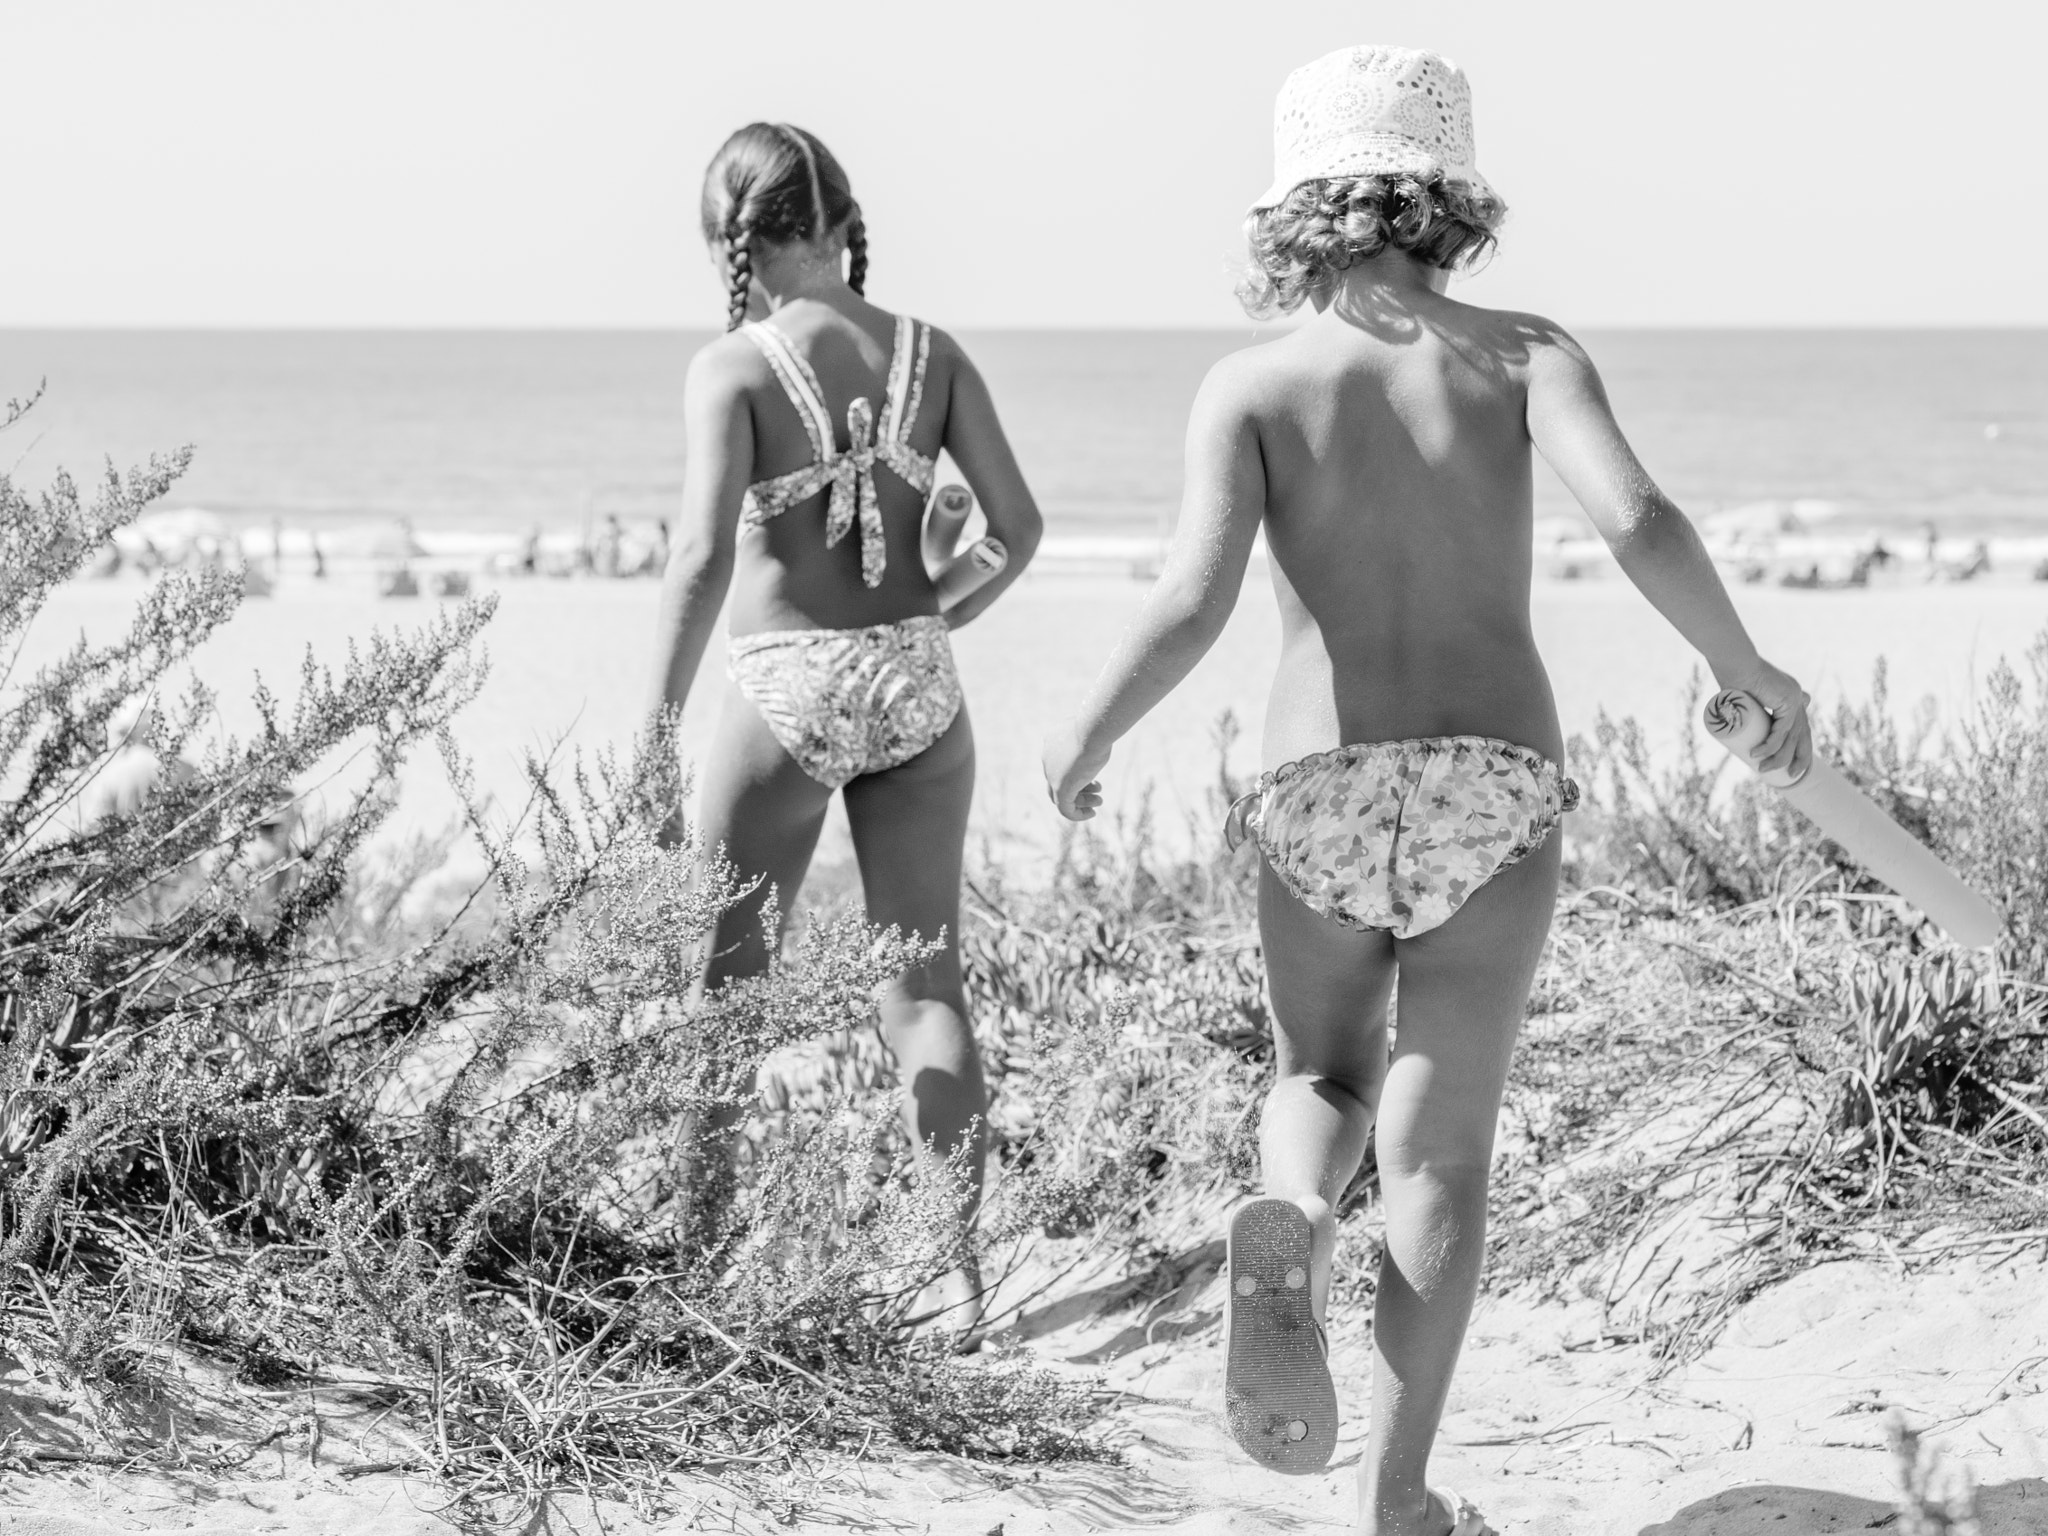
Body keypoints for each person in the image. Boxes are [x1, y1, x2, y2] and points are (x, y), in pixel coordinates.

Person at [1042, 46, 1812, 1536]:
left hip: (1314, 783)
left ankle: (1289, 1219)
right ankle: (1399, 1496)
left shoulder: (1251, 385)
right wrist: (1745, 663)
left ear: (1295, 207)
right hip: (1490, 785)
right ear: (1450, 191)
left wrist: (1086, 736)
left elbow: (1192, 603)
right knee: (1442, 1141)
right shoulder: (1525, 353)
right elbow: (1639, 517)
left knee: (1318, 1076)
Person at [649, 121, 1042, 1332]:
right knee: (923, 985)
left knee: (719, 993)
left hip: (784, 687)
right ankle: (955, 1278)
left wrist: (652, 722)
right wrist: (940, 618)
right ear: (839, 222)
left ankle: (699, 1268)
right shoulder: (934, 352)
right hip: (916, 682)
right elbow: (1017, 531)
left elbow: (702, 555)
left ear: (731, 237)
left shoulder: (735, 366)